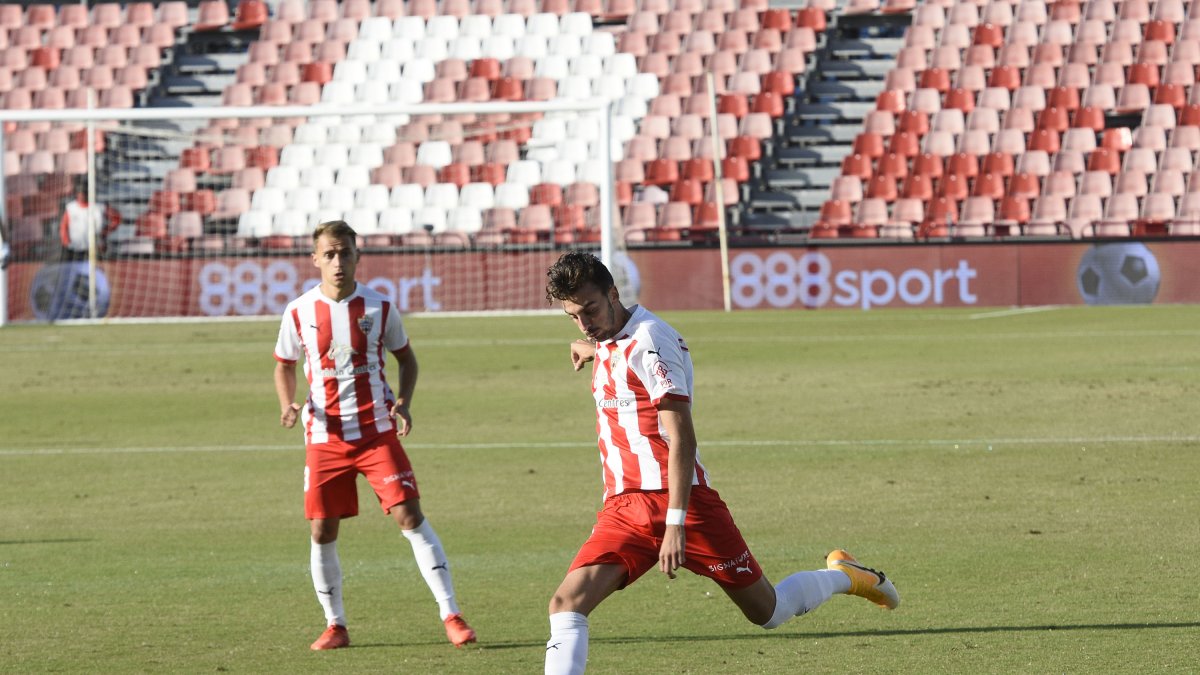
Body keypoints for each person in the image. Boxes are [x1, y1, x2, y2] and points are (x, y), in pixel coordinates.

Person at [541, 252, 899, 674]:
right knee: (567, 604)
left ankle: (848, 575)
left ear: (614, 293)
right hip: (624, 507)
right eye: (573, 317)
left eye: (590, 311)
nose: (584, 323)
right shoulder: (607, 339)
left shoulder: (653, 342)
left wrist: (675, 523)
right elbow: (614, 350)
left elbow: (682, 437)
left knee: (769, 611)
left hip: (686, 505)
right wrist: (591, 348)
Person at [273, 220, 476, 651]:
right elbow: (283, 364)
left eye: (345, 252)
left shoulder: (379, 308)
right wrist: (286, 403)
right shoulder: (298, 311)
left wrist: (403, 401)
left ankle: (452, 614)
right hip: (325, 437)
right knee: (322, 531)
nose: (338, 261)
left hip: (376, 432)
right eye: (329, 254)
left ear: (357, 256)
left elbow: (408, 360)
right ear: (315, 260)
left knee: (410, 517)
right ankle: (335, 625)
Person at [58, 176, 120, 260]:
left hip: (95, 248)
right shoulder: (71, 208)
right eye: (80, 192)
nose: (82, 195)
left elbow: (116, 218)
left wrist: (105, 231)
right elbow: (63, 226)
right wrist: (66, 241)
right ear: (76, 194)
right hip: (75, 249)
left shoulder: (99, 207)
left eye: (84, 192)